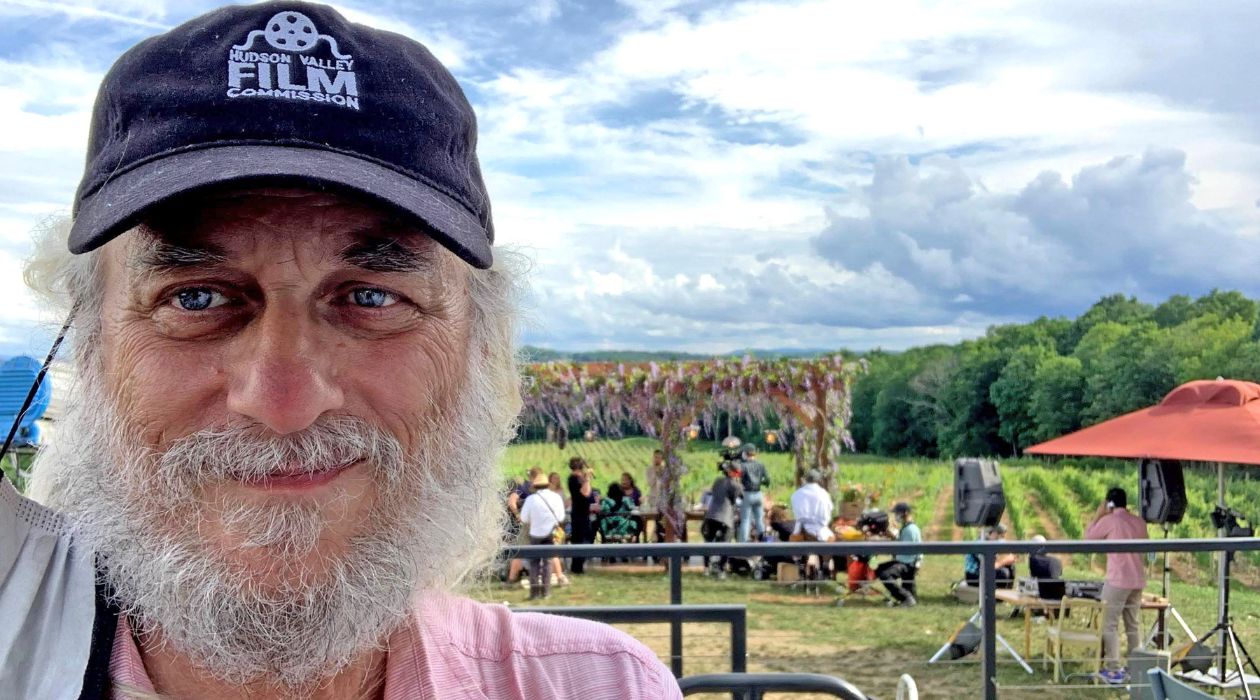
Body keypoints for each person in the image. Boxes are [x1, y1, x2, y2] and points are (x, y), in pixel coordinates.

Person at [0, 5, 680, 698]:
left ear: (482, 350)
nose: (284, 402)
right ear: (88, 347)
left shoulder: (602, 687)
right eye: (196, 298)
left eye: (373, 298)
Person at [1085, 486, 1149, 685]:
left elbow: (1088, 539)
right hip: (1137, 580)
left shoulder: (1110, 521)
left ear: (1109, 504)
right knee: (1133, 624)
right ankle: (1134, 667)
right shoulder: (1138, 521)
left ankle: (1113, 669)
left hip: (1118, 580)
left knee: (1109, 624)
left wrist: (1097, 516)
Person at [519, 473, 566, 600]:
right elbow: (561, 517)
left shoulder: (530, 499)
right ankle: (546, 592)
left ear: (535, 486)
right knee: (548, 562)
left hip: (535, 534)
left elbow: (523, 518)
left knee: (534, 563)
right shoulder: (556, 497)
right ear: (547, 485)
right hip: (551, 533)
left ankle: (534, 593)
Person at [876, 502, 922, 607]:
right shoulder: (907, 527)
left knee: (884, 573)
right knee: (880, 569)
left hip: (906, 563)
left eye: (897, 513)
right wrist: (893, 537)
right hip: (906, 561)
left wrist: (917, 564)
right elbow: (902, 543)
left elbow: (915, 549)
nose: (896, 516)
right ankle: (907, 595)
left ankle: (906, 598)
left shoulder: (911, 530)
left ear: (905, 513)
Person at [701, 463, 743, 577]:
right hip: (725, 516)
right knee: (726, 543)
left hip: (711, 514)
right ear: (734, 473)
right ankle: (721, 570)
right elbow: (735, 500)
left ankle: (706, 568)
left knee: (708, 543)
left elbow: (713, 492)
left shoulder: (718, 480)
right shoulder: (736, 485)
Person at [963, 524, 1018, 589]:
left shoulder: (990, 542)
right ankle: (996, 595)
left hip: (983, 571)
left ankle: (1007, 591)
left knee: (1011, 567)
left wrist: (1009, 558)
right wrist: (1005, 561)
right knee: (1003, 573)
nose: (1001, 537)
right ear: (990, 533)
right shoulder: (980, 544)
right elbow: (989, 566)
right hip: (974, 576)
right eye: (999, 533)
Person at [567, 457, 596, 574]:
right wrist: (588, 478)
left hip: (582, 513)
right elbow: (585, 493)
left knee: (584, 538)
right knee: (581, 539)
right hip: (579, 514)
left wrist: (585, 478)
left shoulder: (577, 478)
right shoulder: (574, 478)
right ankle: (577, 567)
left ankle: (578, 566)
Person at [789, 470, 835, 542]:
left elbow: (794, 512)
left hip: (800, 533)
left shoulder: (796, 494)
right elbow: (828, 514)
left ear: (806, 480)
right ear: (818, 480)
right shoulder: (824, 494)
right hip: (821, 533)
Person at [737, 444, 770, 542]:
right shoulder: (761, 465)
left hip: (747, 494)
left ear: (745, 454)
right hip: (759, 494)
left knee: (745, 520)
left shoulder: (743, 466)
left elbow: (738, 479)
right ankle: (765, 542)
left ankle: (743, 544)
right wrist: (761, 482)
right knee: (759, 520)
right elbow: (768, 479)